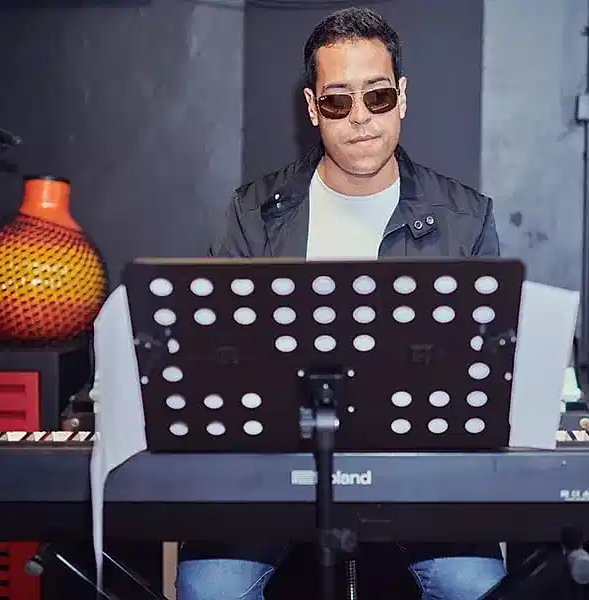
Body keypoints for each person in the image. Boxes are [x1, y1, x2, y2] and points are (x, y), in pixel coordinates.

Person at [178, 7, 504, 600]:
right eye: (337, 102)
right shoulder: (254, 213)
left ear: (401, 97)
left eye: (377, 97)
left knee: (474, 585)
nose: (360, 119)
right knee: (210, 589)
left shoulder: (467, 219)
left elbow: (486, 365)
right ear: (312, 109)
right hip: (272, 468)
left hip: (420, 472)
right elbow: (218, 356)